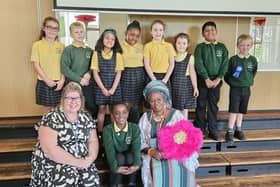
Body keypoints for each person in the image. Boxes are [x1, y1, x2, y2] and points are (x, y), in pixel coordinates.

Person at [30, 82, 100, 187]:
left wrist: (90, 159)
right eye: (69, 98)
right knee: (67, 178)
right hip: (55, 163)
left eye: (77, 98)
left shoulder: (86, 117)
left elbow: (93, 140)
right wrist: (77, 162)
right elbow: (50, 150)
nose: (73, 102)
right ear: (63, 99)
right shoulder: (51, 117)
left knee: (91, 178)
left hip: (82, 161)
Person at [139, 80, 199, 187]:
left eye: (159, 99)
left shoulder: (176, 115)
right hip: (153, 153)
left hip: (175, 151)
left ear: (165, 99)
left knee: (176, 167)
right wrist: (151, 151)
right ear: (148, 102)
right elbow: (140, 140)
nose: (156, 104)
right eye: (152, 101)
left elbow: (186, 137)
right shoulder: (145, 118)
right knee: (153, 170)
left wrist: (170, 152)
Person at [194, 21, 229, 140]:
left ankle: (213, 130)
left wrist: (218, 79)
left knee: (213, 106)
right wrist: (206, 79)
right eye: (207, 30)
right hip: (203, 81)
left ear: (216, 32)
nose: (210, 32)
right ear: (203, 34)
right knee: (201, 105)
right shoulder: (200, 47)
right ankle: (200, 129)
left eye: (212, 30)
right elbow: (199, 64)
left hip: (216, 82)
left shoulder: (222, 47)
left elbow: (225, 64)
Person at [224, 34, 258, 142]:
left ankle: (238, 130)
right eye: (242, 45)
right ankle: (229, 131)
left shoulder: (252, 60)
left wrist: (247, 81)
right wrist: (233, 83)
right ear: (238, 46)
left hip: (246, 88)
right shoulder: (233, 59)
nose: (245, 47)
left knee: (241, 110)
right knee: (234, 110)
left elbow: (253, 72)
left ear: (251, 46)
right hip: (235, 88)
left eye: (248, 45)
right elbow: (227, 73)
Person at [61, 21, 98, 118]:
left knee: (92, 106)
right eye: (76, 32)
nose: (80, 34)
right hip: (72, 84)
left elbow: (93, 66)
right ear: (71, 34)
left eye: (81, 32)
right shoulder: (68, 50)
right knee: (73, 106)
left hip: (87, 84)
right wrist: (79, 80)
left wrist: (89, 74)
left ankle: (90, 125)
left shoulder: (89, 50)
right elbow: (64, 68)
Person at [91, 29, 124, 133]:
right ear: (102, 39)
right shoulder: (96, 54)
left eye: (112, 39)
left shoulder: (117, 55)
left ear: (115, 42)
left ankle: (115, 132)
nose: (110, 40)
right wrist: (103, 89)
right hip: (101, 86)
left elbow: (118, 73)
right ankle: (100, 133)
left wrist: (113, 89)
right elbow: (95, 73)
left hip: (114, 87)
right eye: (107, 38)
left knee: (114, 111)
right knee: (102, 109)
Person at [31, 16, 65, 113]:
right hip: (44, 81)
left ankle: (57, 127)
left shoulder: (62, 46)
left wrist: (62, 80)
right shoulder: (37, 45)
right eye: (49, 27)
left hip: (59, 82)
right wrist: (47, 80)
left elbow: (64, 65)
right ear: (44, 28)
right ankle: (46, 127)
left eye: (55, 28)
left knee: (58, 108)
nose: (52, 30)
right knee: (47, 109)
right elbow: (36, 64)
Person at [103, 103, 141, 187]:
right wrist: (115, 168)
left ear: (127, 114)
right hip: (114, 158)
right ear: (112, 115)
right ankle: (115, 183)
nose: (121, 116)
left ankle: (132, 183)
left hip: (129, 156)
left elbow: (136, 147)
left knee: (131, 157)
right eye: (117, 113)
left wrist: (136, 165)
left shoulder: (134, 128)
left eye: (124, 112)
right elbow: (110, 151)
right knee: (120, 158)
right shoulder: (107, 130)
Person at [121, 20, 145, 123]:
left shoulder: (142, 47)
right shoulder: (119, 46)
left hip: (139, 76)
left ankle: (135, 128)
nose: (134, 38)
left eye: (137, 36)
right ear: (126, 33)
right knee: (126, 104)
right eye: (131, 35)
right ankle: (124, 127)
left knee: (136, 104)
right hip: (125, 75)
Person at [171, 33, 199, 120]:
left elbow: (192, 73)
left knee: (184, 108)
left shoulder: (190, 57)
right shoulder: (172, 56)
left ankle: (184, 127)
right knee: (175, 107)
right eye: (179, 43)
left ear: (187, 45)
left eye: (184, 43)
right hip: (174, 85)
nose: (181, 45)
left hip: (185, 85)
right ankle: (176, 127)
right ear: (175, 44)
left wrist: (195, 87)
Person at [143, 20, 176, 91]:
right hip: (151, 76)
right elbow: (146, 64)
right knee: (152, 99)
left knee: (164, 100)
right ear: (151, 32)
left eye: (160, 30)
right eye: (155, 30)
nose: (158, 32)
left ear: (163, 32)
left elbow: (172, 64)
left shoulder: (169, 46)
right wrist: (154, 80)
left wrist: (165, 79)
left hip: (165, 76)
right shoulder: (147, 46)